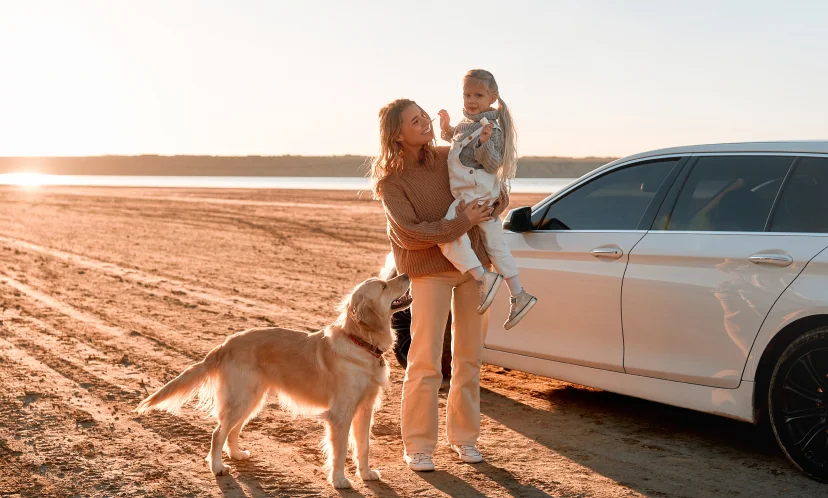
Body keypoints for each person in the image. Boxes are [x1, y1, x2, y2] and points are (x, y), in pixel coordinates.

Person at [370, 98, 508, 471]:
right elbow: (411, 233)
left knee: (469, 358)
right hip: (429, 270)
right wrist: (461, 223)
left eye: (425, 117)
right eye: (416, 121)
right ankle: (418, 445)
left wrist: (494, 205)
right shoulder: (391, 183)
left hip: (476, 266)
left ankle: (464, 439)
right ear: (397, 134)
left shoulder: (450, 155)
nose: (426, 124)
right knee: (425, 359)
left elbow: (490, 186)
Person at [438, 69, 537, 329]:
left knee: (448, 235)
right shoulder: (467, 123)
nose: (471, 100)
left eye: (478, 95)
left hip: (475, 193)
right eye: (466, 94)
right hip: (472, 191)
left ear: (492, 97)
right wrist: (446, 128)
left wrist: (484, 143)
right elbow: (459, 145)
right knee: (495, 244)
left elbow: (493, 164)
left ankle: (483, 277)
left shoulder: (490, 128)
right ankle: (519, 293)